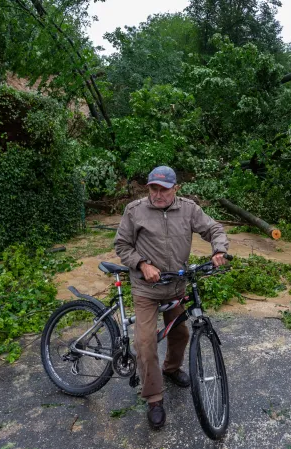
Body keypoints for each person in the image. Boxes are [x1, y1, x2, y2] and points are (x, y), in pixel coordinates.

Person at [114, 166, 229, 430]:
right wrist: (142, 264)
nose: (157, 194)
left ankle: (171, 368)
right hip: (146, 290)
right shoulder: (135, 210)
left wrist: (219, 250)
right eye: (153, 188)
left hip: (176, 286)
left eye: (163, 189)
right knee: (145, 343)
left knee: (181, 334)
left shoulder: (189, 209)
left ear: (176, 189)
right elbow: (122, 245)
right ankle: (154, 398)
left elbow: (214, 229)